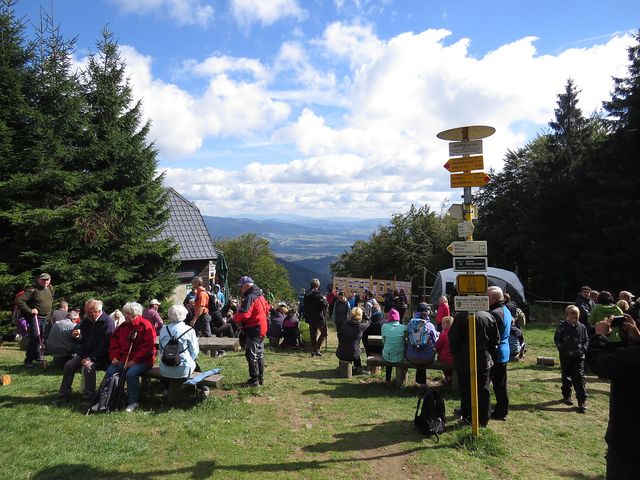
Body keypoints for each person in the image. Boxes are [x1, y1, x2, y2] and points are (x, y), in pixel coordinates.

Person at [587, 315, 640, 477]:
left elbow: (597, 363)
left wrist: (600, 336)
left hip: (628, 446)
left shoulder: (633, 357)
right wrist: (636, 340)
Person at [449, 306, 499, 427]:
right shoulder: (488, 316)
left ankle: (468, 417)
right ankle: (483, 418)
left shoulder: (461, 317)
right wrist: (489, 352)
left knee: (466, 389)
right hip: (483, 359)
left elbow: (453, 339)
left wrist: (456, 354)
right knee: (483, 389)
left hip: (464, 360)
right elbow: (495, 339)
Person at [58, 299, 115, 402]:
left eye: (89, 312)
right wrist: (78, 336)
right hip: (86, 353)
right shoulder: (87, 321)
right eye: (86, 311)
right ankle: (63, 395)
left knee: (88, 367)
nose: (86, 314)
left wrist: (91, 358)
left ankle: (88, 397)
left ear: (97, 311)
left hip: (102, 357)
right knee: (69, 366)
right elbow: (82, 339)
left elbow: (105, 346)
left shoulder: (108, 323)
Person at [104, 302, 156, 412]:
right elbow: (114, 344)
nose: (126, 316)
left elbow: (147, 347)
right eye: (125, 313)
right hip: (123, 358)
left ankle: (133, 401)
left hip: (143, 360)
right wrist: (114, 357)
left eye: (129, 314)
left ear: (137, 314)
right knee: (111, 370)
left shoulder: (145, 325)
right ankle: (110, 398)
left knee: (131, 374)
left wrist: (135, 361)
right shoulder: (122, 327)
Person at [233, 276, 269, 387]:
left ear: (247, 285)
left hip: (254, 328)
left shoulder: (250, 297)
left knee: (251, 354)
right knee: (259, 353)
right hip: (261, 326)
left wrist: (235, 318)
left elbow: (244, 314)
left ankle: (255, 380)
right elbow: (267, 308)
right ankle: (260, 378)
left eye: (241, 286)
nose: (240, 289)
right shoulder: (260, 295)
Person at [554, 305, 589, 412]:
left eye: (576, 317)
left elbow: (586, 339)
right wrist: (562, 350)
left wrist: (583, 349)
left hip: (578, 356)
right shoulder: (562, 327)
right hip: (566, 356)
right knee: (566, 376)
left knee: (579, 377)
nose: (574, 319)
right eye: (571, 317)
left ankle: (582, 400)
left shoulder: (582, 327)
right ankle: (567, 395)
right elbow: (557, 339)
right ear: (567, 315)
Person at [17, 273, 54, 367]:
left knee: (40, 337)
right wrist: (30, 310)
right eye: (43, 280)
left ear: (50, 280)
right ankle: (28, 360)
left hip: (45, 317)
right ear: (39, 280)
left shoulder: (50, 288)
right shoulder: (33, 289)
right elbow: (20, 300)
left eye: (47, 280)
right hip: (35, 317)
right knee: (35, 337)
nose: (45, 281)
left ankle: (37, 356)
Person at [488, 286, 512, 421]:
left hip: (496, 352)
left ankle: (482, 410)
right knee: (500, 384)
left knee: (485, 384)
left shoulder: (495, 314)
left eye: (487, 296)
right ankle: (501, 411)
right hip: (503, 350)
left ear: (494, 299)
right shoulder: (505, 309)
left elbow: (491, 337)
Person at [158, 304, 199, 379]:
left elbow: (161, 349)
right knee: (195, 364)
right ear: (184, 315)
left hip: (164, 368)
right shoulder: (189, 330)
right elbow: (194, 352)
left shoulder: (163, 329)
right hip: (183, 369)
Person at [406, 302, 439, 386]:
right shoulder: (430, 325)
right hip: (427, 358)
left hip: (412, 356)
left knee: (418, 352)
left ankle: (420, 382)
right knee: (424, 353)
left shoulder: (410, 324)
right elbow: (435, 341)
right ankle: (422, 383)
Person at [335, 307, 371, 375]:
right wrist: (364, 313)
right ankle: (358, 368)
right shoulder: (361, 327)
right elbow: (368, 321)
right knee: (356, 350)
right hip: (353, 355)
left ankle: (348, 367)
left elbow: (339, 335)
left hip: (340, 353)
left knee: (352, 348)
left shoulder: (345, 324)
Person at [304, 278, 329, 357]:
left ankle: (314, 350)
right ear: (318, 285)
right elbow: (324, 304)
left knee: (313, 334)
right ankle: (316, 349)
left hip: (309, 317)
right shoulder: (317, 294)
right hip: (318, 317)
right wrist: (325, 300)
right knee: (324, 333)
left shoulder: (306, 293)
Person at [381, 308, 406, 382]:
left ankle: (387, 379)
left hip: (387, 355)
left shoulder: (384, 326)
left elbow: (383, 341)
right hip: (400, 355)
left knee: (388, 351)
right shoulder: (403, 328)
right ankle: (401, 381)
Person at [436, 316, 454, 385]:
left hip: (444, 360)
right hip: (454, 359)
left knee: (442, 362)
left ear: (449, 325)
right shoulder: (456, 334)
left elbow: (437, 347)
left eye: (443, 324)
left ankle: (448, 377)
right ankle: (450, 377)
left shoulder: (443, 334)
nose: (441, 325)